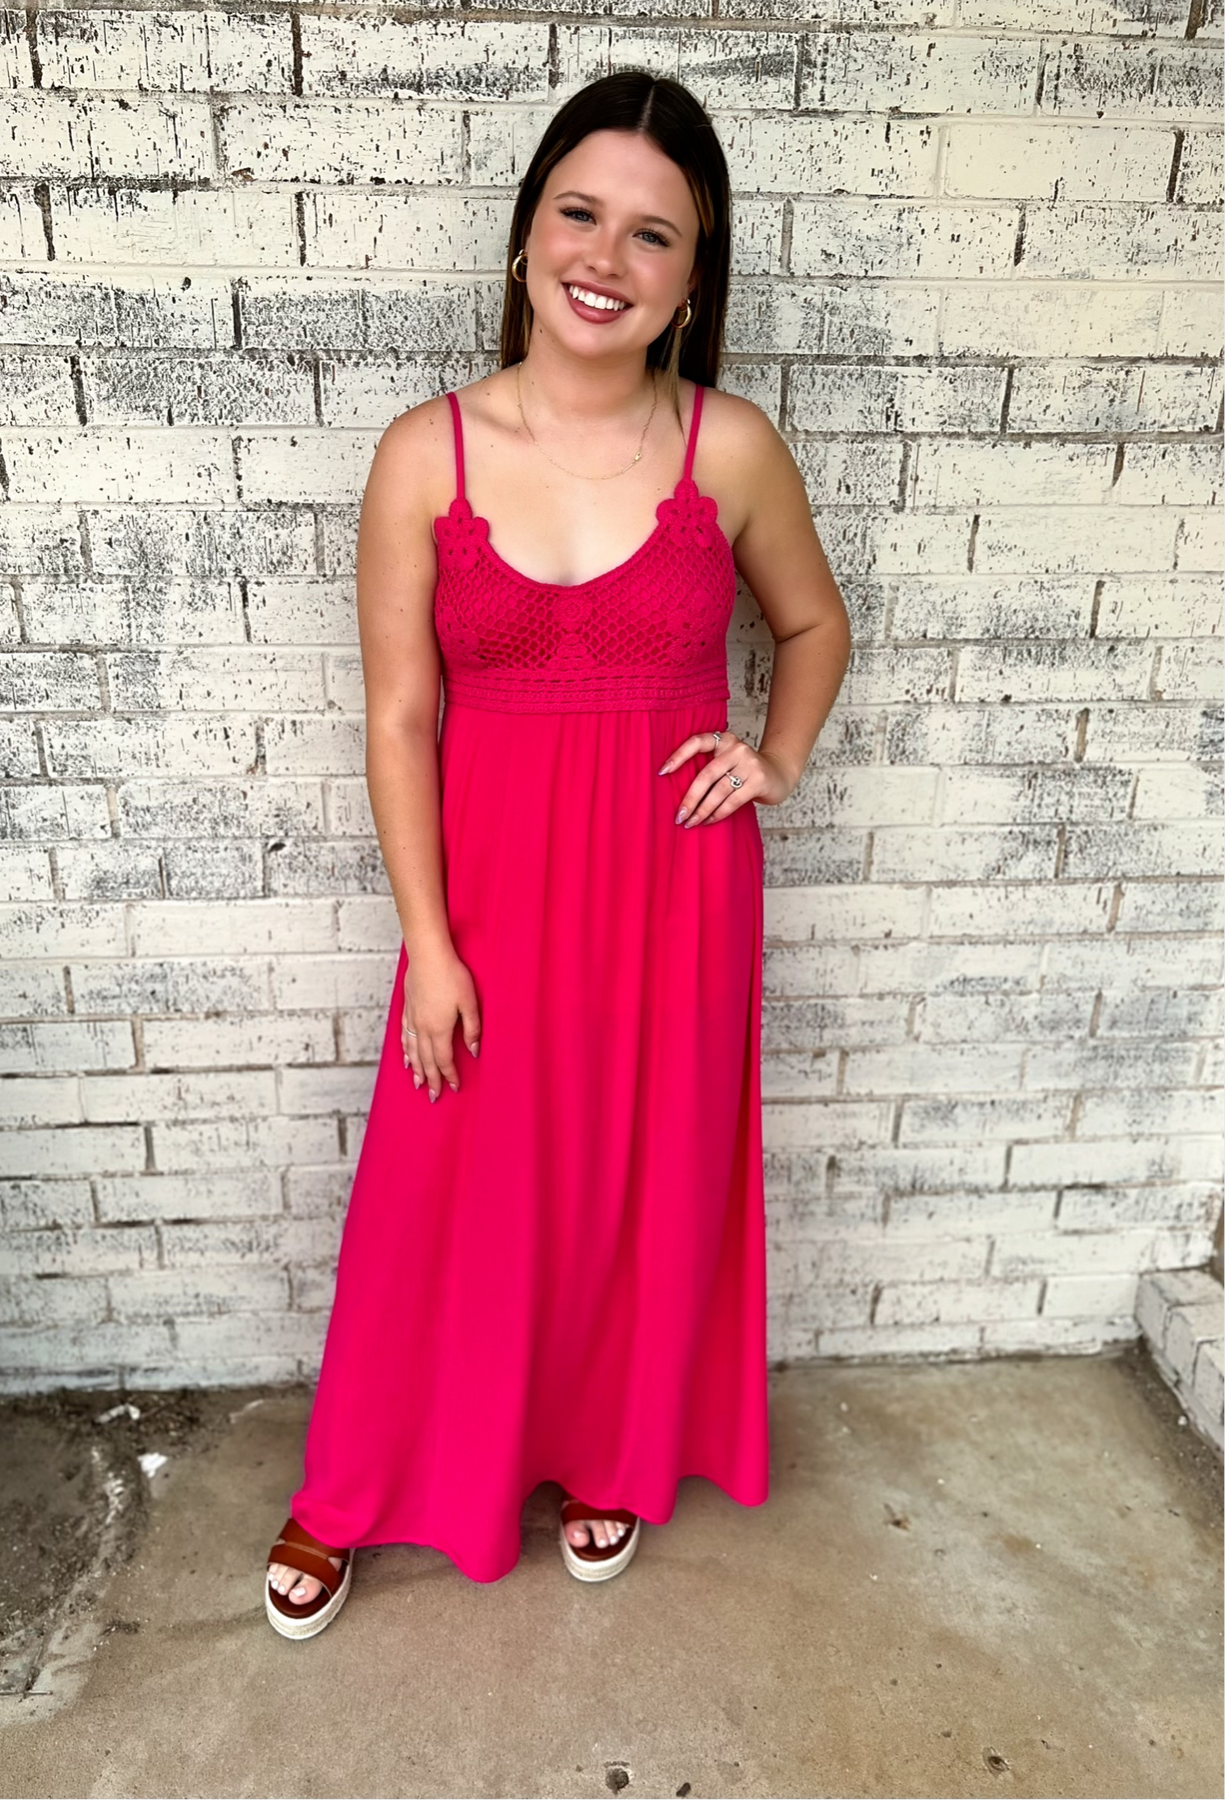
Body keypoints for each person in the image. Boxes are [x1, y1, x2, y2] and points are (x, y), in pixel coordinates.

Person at [265, 69, 851, 1638]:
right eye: (580, 214)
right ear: (527, 233)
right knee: (444, 1189)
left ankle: (611, 1449)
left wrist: (776, 756)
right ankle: (354, 1487)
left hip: (676, 890)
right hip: (491, 897)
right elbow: (401, 717)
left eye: (654, 234)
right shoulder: (427, 453)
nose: (607, 256)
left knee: (636, 1181)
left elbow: (813, 625)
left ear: (693, 275)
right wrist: (430, 943)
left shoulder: (730, 447)